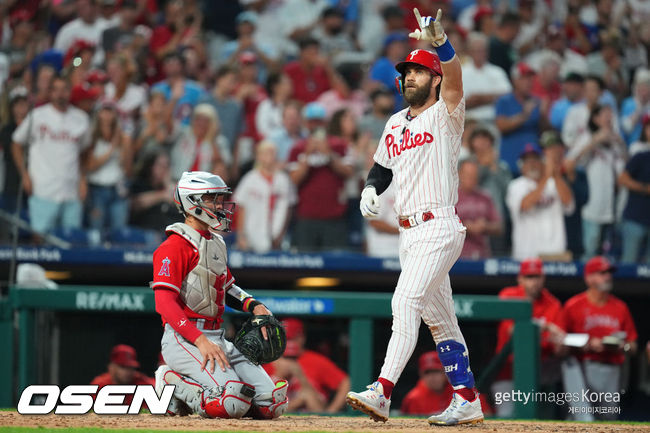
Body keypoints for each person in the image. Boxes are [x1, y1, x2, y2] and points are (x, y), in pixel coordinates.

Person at [347, 9, 484, 426]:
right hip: (409, 234)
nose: (409, 77)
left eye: (418, 72)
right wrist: (371, 188)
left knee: (404, 301)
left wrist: (440, 42)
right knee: (440, 322)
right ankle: (468, 399)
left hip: (439, 224)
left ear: (434, 78)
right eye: (405, 73)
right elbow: (381, 168)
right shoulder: (393, 123)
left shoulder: (446, 111)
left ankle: (383, 390)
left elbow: (457, 78)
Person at [152, 171, 289, 419]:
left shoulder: (216, 242)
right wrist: (199, 340)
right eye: (212, 199)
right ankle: (170, 380)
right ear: (191, 201)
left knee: (272, 404)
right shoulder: (172, 246)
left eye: (219, 198)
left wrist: (254, 305)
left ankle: (194, 386)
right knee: (232, 404)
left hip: (217, 337)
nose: (219, 205)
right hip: (184, 339)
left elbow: (227, 287)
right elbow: (164, 303)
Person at [561, 256, 637, 420]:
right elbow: (561, 341)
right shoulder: (574, 305)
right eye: (602, 273)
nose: (607, 276)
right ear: (589, 278)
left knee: (608, 418)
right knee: (580, 418)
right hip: (582, 365)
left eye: (608, 272)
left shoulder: (620, 307)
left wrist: (621, 346)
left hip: (611, 367)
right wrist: (586, 343)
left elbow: (633, 346)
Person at [12, 76, 91, 234]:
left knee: (70, 242)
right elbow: (16, 143)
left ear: (70, 92)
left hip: (71, 191)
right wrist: (24, 175)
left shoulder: (81, 118)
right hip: (43, 189)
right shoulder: (38, 115)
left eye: (64, 89)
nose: (60, 94)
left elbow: (85, 151)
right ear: (50, 92)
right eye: (56, 89)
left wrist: (83, 179)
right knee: (41, 240)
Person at [491, 258, 564, 418]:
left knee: (541, 419)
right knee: (506, 416)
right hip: (507, 368)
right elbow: (513, 330)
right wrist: (545, 327)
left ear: (543, 278)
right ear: (520, 279)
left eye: (537, 277)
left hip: (540, 369)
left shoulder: (552, 303)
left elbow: (559, 344)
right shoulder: (508, 295)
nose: (534, 282)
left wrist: (559, 340)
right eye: (529, 277)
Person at [564, 105, 626, 259]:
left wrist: (621, 143)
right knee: (590, 253)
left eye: (611, 115)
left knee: (608, 257)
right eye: (605, 114)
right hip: (592, 206)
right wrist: (594, 141)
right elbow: (569, 164)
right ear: (595, 118)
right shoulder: (587, 137)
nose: (609, 118)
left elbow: (627, 167)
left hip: (613, 206)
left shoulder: (616, 141)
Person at [263, 318, 350, 414]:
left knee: (306, 395)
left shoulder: (315, 360)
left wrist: (331, 412)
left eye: (292, 338)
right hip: (278, 416)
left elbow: (345, 382)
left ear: (302, 337)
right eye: (286, 339)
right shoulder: (271, 361)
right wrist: (278, 375)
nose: (289, 343)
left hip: (312, 416)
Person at [506, 144, 574, 260]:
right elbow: (525, 205)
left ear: (543, 163)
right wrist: (546, 177)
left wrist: (555, 173)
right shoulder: (516, 185)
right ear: (521, 166)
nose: (532, 164)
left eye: (535, 160)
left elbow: (569, 203)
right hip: (526, 255)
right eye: (527, 161)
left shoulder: (554, 183)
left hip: (555, 254)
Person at [234, 140, 294, 253]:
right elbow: (241, 208)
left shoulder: (283, 179)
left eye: (272, 153)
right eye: (266, 153)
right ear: (259, 156)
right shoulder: (250, 179)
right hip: (252, 232)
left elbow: (288, 209)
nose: (270, 156)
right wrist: (241, 235)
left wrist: (281, 234)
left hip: (276, 233)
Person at [401, 351, 492, 416]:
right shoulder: (413, 398)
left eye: (437, 371)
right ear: (421, 374)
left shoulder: (463, 391)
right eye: (427, 372)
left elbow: (487, 415)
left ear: (446, 373)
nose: (432, 377)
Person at [461, 32, 512, 123]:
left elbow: (508, 96)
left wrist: (479, 98)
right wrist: (491, 98)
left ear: (487, 52)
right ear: (469, 52)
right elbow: (459, 104)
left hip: (494, 120)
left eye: (482, 50)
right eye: (476, 50)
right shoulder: (461, 72)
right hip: (469, 121)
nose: (479, 54)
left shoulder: (497, 71)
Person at [456, 158, 501, 259]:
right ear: (459, 174)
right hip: (456, 256)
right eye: (468, 175)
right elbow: (443, 226)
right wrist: (465, 227)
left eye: (474, 176)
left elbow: (499, 227)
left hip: (481, 254)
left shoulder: (485, 197)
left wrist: (485, 226)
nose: (471, 179)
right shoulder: (451, 197)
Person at [618, 147, 650, 263]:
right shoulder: (641, 157)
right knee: (628, 263)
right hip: (635, 218)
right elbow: (622, 179)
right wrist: (645, 188)